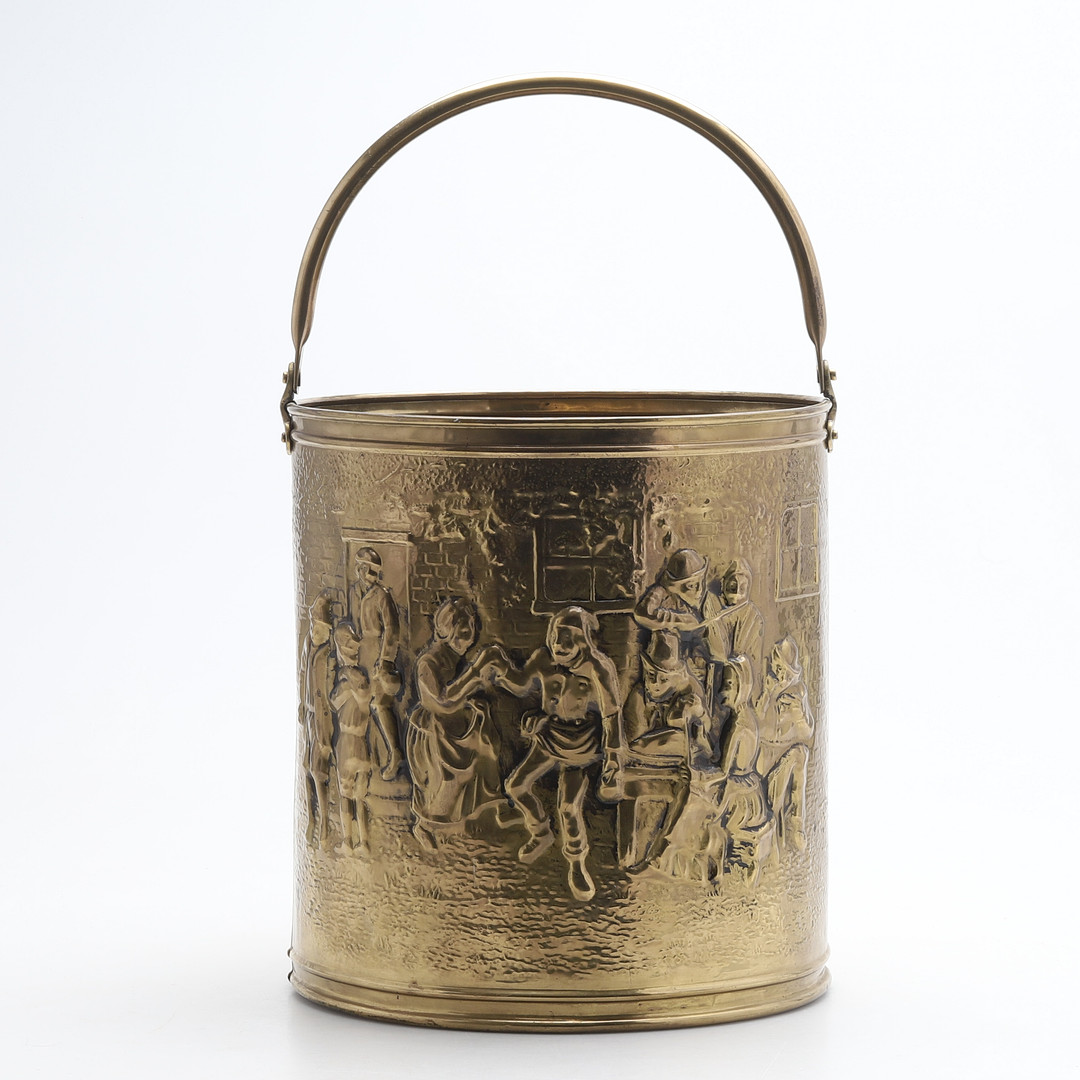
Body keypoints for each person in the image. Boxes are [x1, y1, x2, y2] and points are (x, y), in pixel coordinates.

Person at [489, 607, 623, 902]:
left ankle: (577, 864)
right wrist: (500, 667)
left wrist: (614, 758)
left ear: (583, 641)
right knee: (516, 786)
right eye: (556, 638)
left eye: (568, 640)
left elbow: (611, 714)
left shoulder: (598, 667)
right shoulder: (543, 658)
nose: (559, 646)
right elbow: (521, 684)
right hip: (549, 736)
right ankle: (540, 832)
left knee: (568, 807)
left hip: (581, 745)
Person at [406, 597, 516, 851]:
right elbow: (443, 700)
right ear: (446, 629)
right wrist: (475, 673)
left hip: (456, 726)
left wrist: (476, 693)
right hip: (434, 731)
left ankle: (492, 810)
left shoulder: (456, 658)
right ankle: (425, 825)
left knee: (487, 750)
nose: (468, 639)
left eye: (471, 631)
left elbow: (462, 693)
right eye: (462, 632)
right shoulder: (428, 662)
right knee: (451, 778)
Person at [618, 631, 707, 870]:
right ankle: (638, 856)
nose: (655, 683)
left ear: (676, 677)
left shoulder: (689, 693)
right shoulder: (638, 697)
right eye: (651, 675)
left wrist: (698, 714)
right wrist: (676, 734)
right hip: (639, 768)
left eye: (663, 678)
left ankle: (663, 852)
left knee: (692, 789)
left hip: (676, 771)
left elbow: (702, 742)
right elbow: (635, 745)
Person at [348, 547, 404, 781]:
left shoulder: (381, 595)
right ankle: (368, 758)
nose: (371, 575)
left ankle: (395, 752)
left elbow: (392, 628)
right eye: (367, 570)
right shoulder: (355, 592)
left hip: (378, 653)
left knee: (380, 704)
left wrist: (386, 660)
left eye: (374, 571)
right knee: (362, 704)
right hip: (362, 654)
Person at [755, 636, 815, 851]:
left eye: (784, 670)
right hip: (762, 755)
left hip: (784, 754)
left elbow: (808, 733)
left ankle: (796, 824)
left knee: (801, 753)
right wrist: (768, 695)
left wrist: (798, 713)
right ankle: (772, 832)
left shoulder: (798, 692)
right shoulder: (766, 686)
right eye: (777, 667)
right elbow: (754, 725)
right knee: (774, 797)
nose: (780, 674)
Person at [634, 548, 716, 686]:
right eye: (691, 585)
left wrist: (698, 657)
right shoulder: (660, 592)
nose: (699, 590)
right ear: (675, 584)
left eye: (700, 582)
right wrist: (680, 620)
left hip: (685, 667)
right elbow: (642, 613)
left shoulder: (700, 603)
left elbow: (700, 636)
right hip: (662, 668)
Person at [330, 621, 374, 857]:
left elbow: (336, 700)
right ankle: (363, 842)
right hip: (360, 745)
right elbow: (361, 696)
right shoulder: (360, 683)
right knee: (359, 797)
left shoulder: (348, 679)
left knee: (347, 795)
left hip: (347, 744)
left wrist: (346, 677)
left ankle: (348, 840)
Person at [299, 592, 336, 849]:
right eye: (316, 626)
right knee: (306, 765)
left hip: (324, 720)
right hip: (310, 716)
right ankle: (311, 818)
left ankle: (324, 823)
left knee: (319, 770)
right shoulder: (309, 646)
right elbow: (303, 673)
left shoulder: (329, 654)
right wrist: (302, 704)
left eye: (323, 628)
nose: (318, 632)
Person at [704, 558, 765, 701]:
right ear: (723, 584)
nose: (737, 593)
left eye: (742, 589)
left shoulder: (753, 617)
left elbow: (755, 659)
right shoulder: (711, 608)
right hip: (710, 677)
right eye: (732, 587)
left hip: (739, 684)